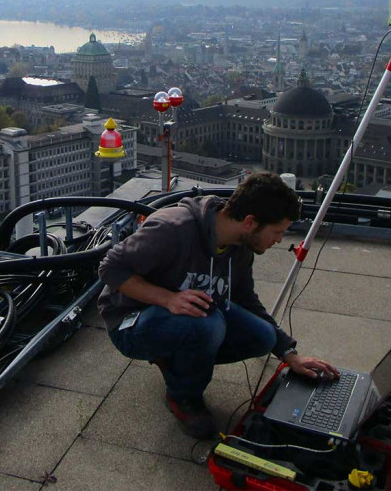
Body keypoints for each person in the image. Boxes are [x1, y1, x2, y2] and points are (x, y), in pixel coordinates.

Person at [97, 172, 339, 439]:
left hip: (192, 315)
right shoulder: (174, 229)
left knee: (263, 337)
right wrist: (168, 299)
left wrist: (289, 354)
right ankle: (184, 396)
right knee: (209, 325)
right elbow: (110, 269)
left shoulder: (240, 246)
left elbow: (247, 301)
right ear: (250, 222)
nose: (279, 240)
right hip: (130, 321)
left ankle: (177, 359)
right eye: (277, 232)